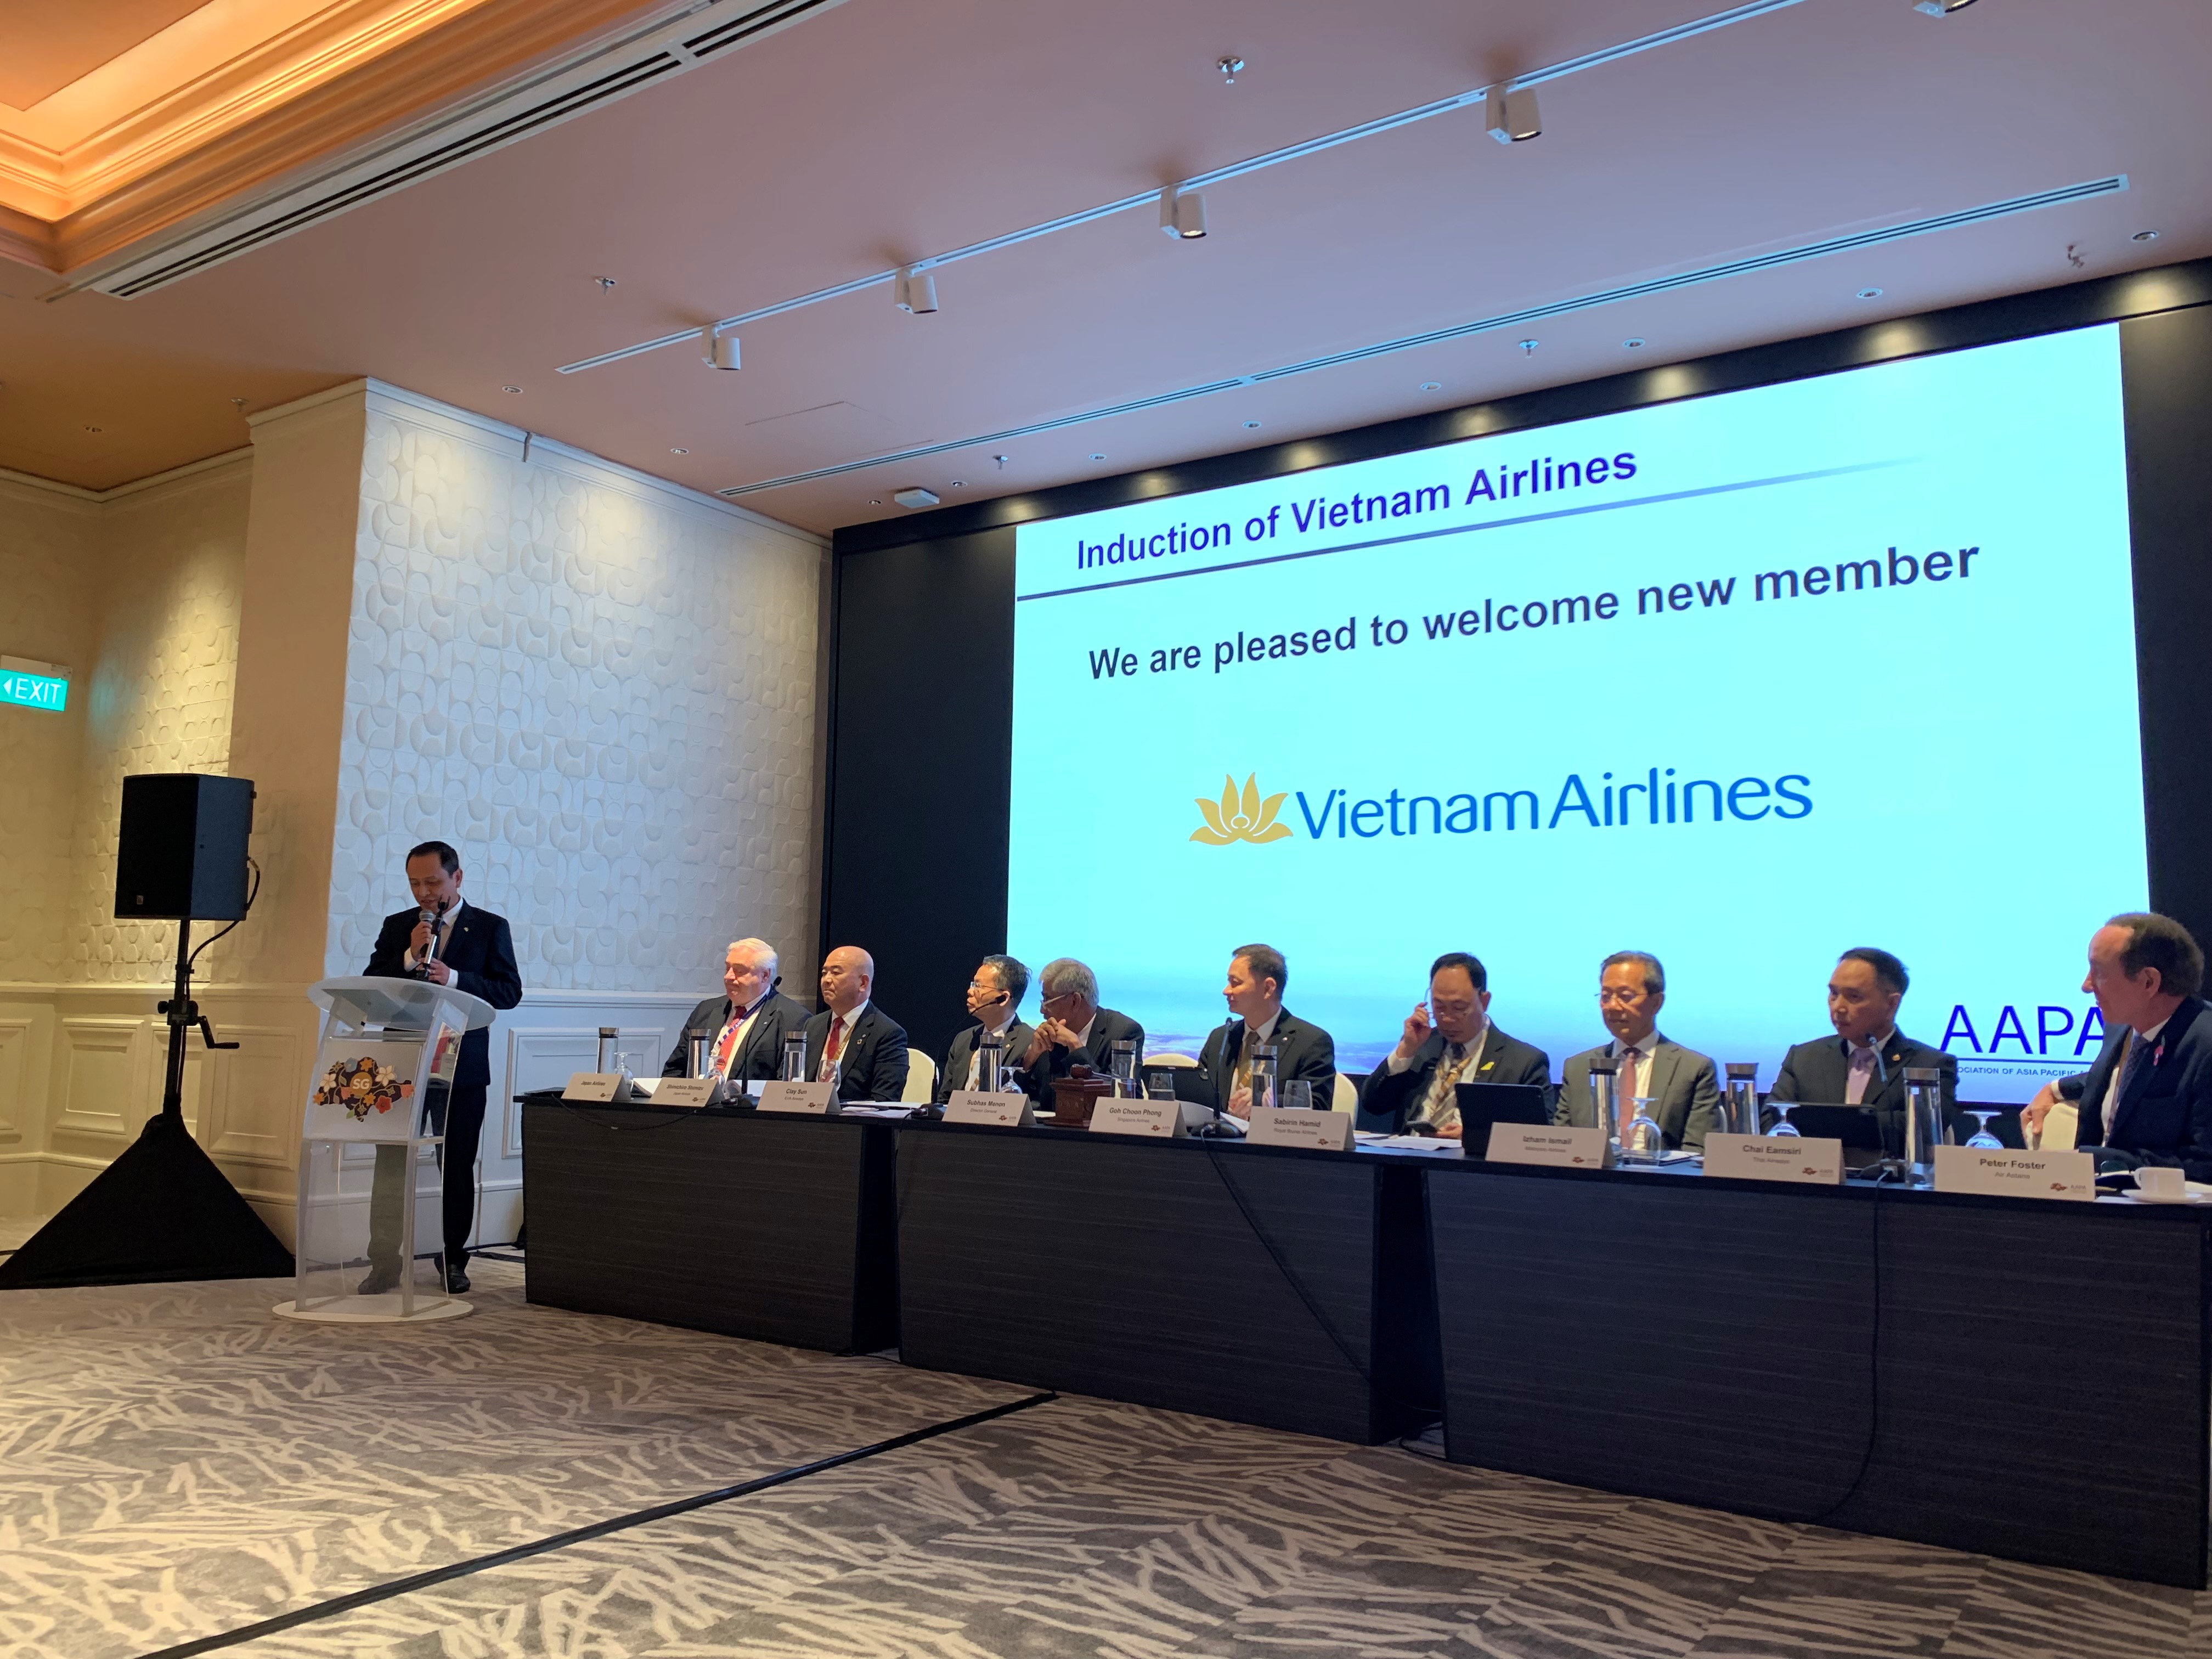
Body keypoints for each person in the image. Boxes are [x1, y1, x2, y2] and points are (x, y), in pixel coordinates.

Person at [360, 840, 522, 1295]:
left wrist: (454, 978)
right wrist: (410, 957)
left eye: (432, 882)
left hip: (461, 1066)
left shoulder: (490, 927)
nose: (424, 893)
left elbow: (509, 991)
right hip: (402, 1064)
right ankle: (383, 1263)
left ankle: (453, 1260)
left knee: (455, 1166)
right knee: (390, 1166)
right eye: (415, 883)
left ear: (457, 877)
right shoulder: (399, 926)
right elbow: (372, 983)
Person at [2022, 913, 2212, 1179]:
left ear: (2148, 982)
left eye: (2098, 972)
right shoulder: (2121, 1027)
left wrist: (2092, 1161)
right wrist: (2056, 1089)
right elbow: (2127, 1078)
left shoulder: (2205, 1045)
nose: (2086, 986)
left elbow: (2204, 1165)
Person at [1359, 951, 1549, 1136]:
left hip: (1470, 1157)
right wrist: (1406, 1050)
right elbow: (1373, 1105)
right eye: (1439, 1007)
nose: (1447, 1019)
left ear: (1484, 1001)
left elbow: (1537, 1136)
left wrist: (1474, 1136)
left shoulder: (1523, 1063)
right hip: (1410, 1154)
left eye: (1459, 1008)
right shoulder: (1422, 1044)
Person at [1769, 947, 1955, 1137]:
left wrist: (1820, 1122)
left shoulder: (1930, 1066)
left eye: (1854, 997)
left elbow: (1922, 1129)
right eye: (1834, 994)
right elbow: (1771, 1121)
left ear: (1892, 1004)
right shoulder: (1803, 1058)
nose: (1838, 1007)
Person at [1559, 951, 1722, 1149]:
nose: (1612, 1006)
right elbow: (1561, 1145)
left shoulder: (1693, 1069)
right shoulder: (1577, 1067)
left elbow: (1698, 1150)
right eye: (1606, 996)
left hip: (1659, 1168)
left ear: (1657, 1002)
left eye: (1625, 996)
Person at [1197, 943, 1335, 1119]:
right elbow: (1200, 1096)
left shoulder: (1311, 1043)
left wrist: (1265, 1102)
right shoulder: (1221, 1038)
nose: (1226, 991)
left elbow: (1318, 1107)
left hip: (1277, 1136)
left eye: (1235, 983)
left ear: (1268, 988)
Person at [662, 938, 809, 1086]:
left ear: (765, 975)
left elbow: (786, 1088)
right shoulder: (706, 1010)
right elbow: (675, 1070)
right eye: (727, 969)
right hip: (697, 1098)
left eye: (739, 971)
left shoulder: (794, 1019)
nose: (728, 977)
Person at [1014, 958, 1145, 1103]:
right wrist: (1031, 1058)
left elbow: (1125, 1099)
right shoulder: (1049, 1035)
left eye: (1047, 1000)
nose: (1042, 1010)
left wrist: (1076, 1047)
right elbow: (1024, 1098)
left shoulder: (1125, 1033)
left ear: (1075, 1001)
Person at [800, 945, 911, 1101]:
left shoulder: (887, 1034)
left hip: (850, 1116)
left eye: (836, 973)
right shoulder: (812, 1025)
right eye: (824, 973)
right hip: (806, 1113)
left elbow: (885, 1100)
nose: (827, 980)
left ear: (863, 983)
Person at [936, 955, 1035, 1102]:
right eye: (973, 984)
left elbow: (1037, 1104)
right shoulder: (964, 1040)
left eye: (979, 986)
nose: (970, 991)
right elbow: (944, 1100)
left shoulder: (1030, 1043)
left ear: (1003, 998)